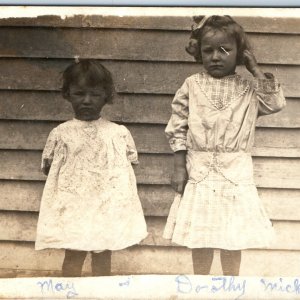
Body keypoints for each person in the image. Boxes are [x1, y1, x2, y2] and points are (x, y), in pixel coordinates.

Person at [163, 15, 286, 276]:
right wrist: (179, 167)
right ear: (199, 53)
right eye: (208, 50)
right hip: (199, 168)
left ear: (239, 53)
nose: (216, 57)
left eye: (225, 50)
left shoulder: (249, 89)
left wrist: (255, 70)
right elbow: (178, 124)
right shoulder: (192, 85)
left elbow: (275, 104)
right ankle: (200, 286)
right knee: (202, 234)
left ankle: (231, 286)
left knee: (232, 235)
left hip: (234, 171)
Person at [35, 59, 148, 277]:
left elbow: (129, 166)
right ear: (68, 94)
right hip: (74, 205)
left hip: (105, 205)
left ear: (107, 96)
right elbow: (49, 168)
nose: (87, 101)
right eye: (79, 94)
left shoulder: (117, 133)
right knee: (74, 253)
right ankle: (68, 292)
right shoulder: (61, 133)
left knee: (102, 254)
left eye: (95, 95)